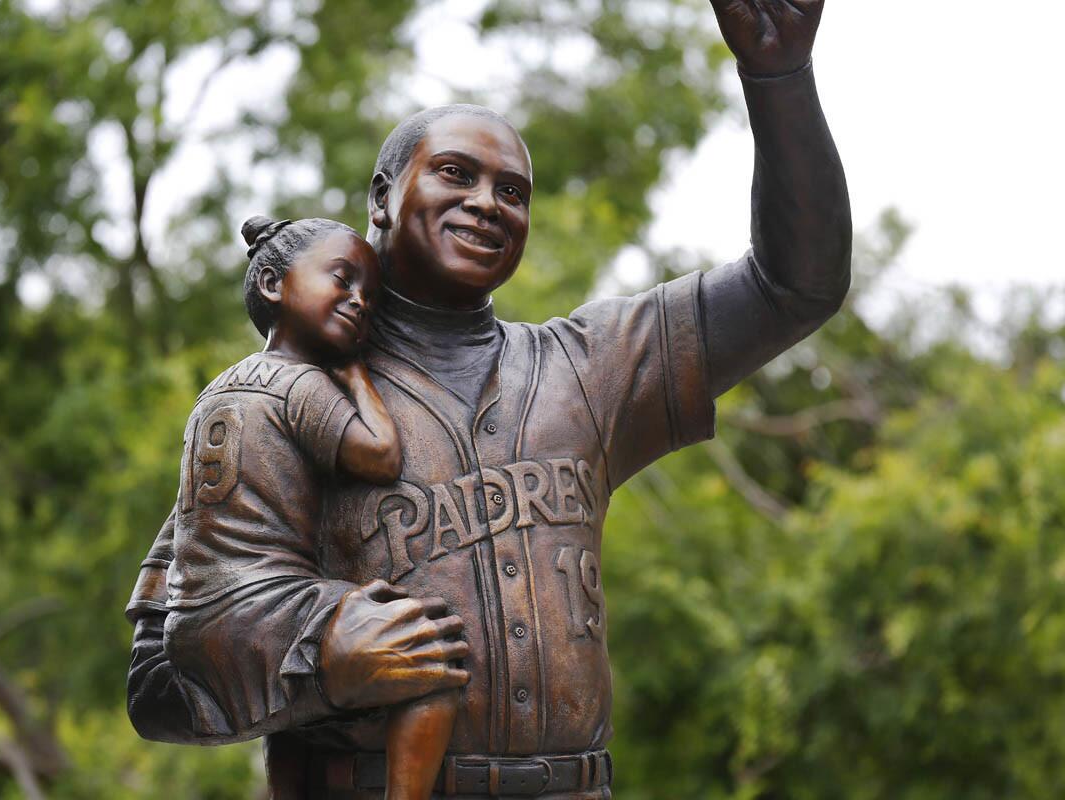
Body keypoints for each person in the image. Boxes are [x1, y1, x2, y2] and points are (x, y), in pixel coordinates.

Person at [125, 1, 851, 796]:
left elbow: (796, 283)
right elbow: (167, 674)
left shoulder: (588, 369)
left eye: (513, 191)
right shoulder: (284, 393)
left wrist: (778, 77)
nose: (487, 203)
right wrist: (324, 640)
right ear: (381, 197)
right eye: (455, 174)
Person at [158, 215, 461, 800]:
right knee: (428, 658)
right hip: (261, 606)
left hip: (192, 619)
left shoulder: (217, 389)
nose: (359, 302)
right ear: (273, 284)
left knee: (302, 707)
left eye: (369, 297)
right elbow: (380, 454)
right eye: (342, 280)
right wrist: (355, 378)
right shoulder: (299, 383)